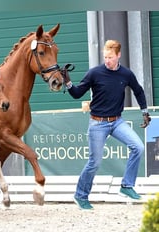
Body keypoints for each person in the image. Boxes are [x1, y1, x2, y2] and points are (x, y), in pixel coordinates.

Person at [61, 40, 151, 210]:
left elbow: (138, 91)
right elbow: (77, 93)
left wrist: (145, 112)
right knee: (94, 162)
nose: (107, 60)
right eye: (105, 57)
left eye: (110, 57)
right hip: (97, 123)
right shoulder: (94, 73)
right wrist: (68, 83)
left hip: (117, 121)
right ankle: (80, 196)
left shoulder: (126, 74)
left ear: (118, 55)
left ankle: (126, 186)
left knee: (138, 147)